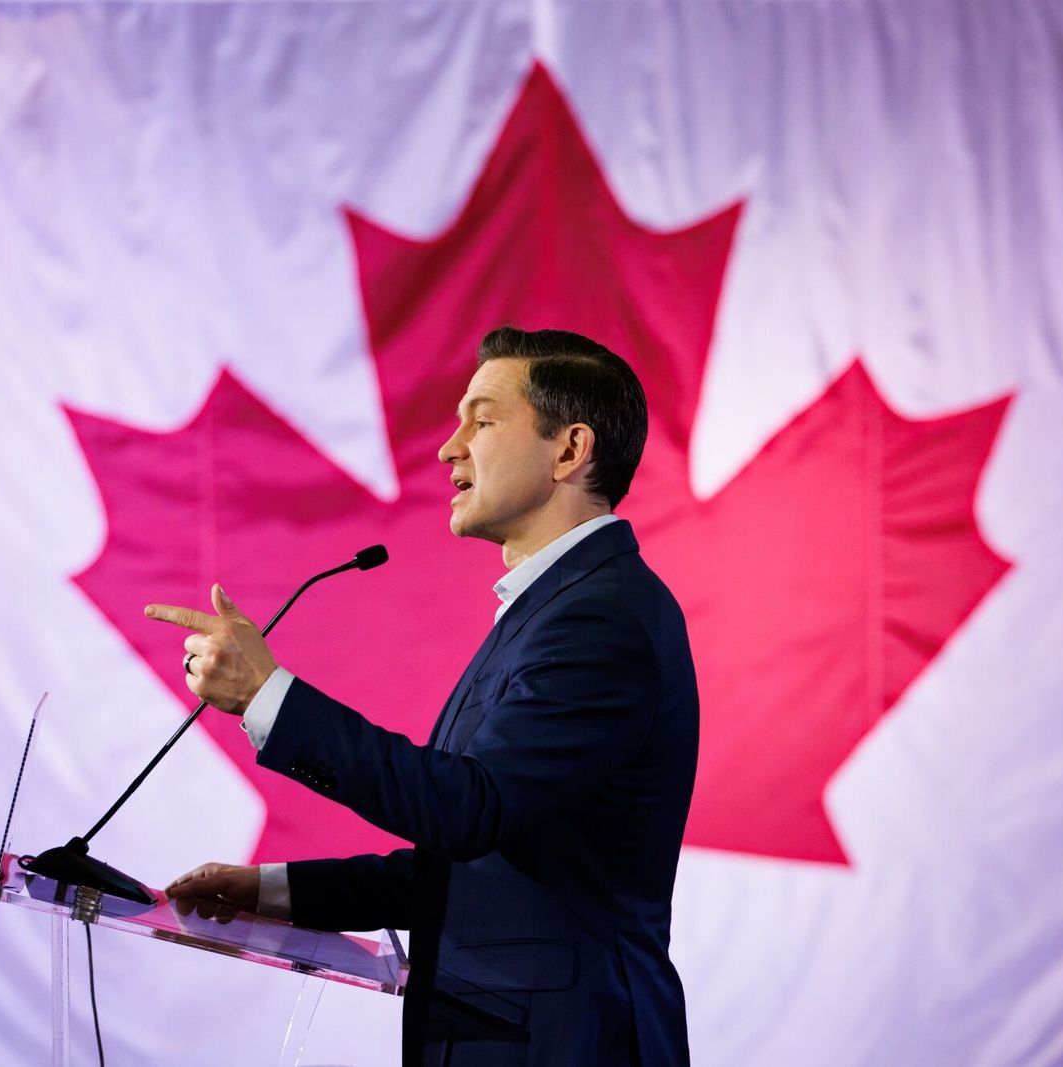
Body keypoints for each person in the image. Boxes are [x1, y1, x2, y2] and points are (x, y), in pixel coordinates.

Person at [151, 326, 699, 1065]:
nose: (449, 448)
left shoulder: (601, 616)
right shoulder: (553, 610)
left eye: (483, 419)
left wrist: (268, 695)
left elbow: (469, 810)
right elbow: (465, 869)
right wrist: (275, 891)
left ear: (570, 451)